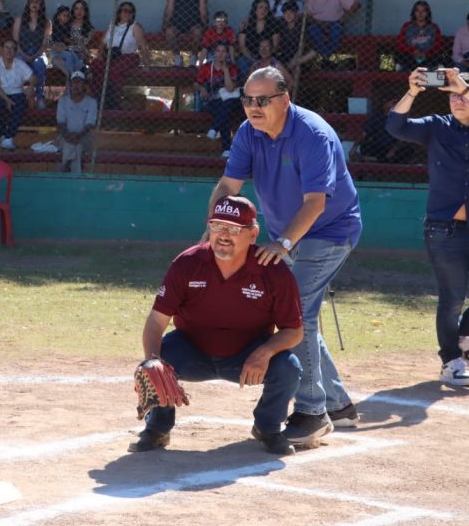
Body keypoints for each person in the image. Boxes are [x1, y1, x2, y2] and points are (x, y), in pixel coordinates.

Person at [210, 66, 362, 447]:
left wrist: (284, 244)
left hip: (329, 232)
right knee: (301, 312)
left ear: (285, 99)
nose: (253, 107)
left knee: (297, 314)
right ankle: (338, 404)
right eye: (248, 100)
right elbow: (228, 187)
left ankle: (312, 412)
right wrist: (213, 231)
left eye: (263, 100)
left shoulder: (311, 134)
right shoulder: (249, 133)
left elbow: (315, 203)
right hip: (287, 235)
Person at [129, 195, 303, 456]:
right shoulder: (187, 263)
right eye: (217, 226)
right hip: (192, 350)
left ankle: (268, 428)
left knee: (288, 367)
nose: (223, 235)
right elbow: (156, 321)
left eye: (234, 229)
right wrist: (152, 360)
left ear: (252, 233)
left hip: (246, 356)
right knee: (159, 359)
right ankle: (157, 428)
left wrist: (265, 352)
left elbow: (294, 330)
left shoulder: (274, 271)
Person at [385, 68, 469, 386]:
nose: (457, 99)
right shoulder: (436, 127)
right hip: (443, 232)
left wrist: (464, 86)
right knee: (451, 299)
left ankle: (463, 335)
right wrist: (413, 91)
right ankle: (450, 362)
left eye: (463, 94)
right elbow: (395, 125)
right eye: (452, 93)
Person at [90, 1, 150, 110]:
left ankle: (114, 101)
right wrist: (100, 56)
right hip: (111, 56)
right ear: (119, 13)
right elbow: (102, 43)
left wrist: (147, 65)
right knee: (96, 66)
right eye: (125, 10)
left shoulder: (135, 26)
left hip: (128, 56)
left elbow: (143, 46)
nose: (127, 13)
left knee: (114, 71)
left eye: (130, 12)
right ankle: (97, 99)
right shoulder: (112, 26)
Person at [305, 0, 361, 68]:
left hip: (335, 24)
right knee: (312, 30)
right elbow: (308, 16)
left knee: (337, 30)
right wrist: (319, 23)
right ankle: (327, 57)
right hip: (317, 24)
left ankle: (325, 57)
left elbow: (357, 4)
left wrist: (344, 17)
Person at [0, 39, 35, 151]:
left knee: (20, 105)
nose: (8, 50)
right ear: (2, 50)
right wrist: (7, 100)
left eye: (12, 48)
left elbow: (33, 78)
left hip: (16, 93)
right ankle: (6, 137)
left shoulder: (19, 63)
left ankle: (7, 137)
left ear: (15, 51)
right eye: (6, 47)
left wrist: (31, 87)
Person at [195, 42, 241, 157]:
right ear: (214, 53)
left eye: (224, 51)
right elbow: (195, 84)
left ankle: (214, 128)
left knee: (228, 104)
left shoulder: (233, 68)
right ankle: (226, 148)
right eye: (218, 51)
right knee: (225, 111)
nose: (221, 54)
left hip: (230, 100)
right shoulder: (206, 67)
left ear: (227, 54)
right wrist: (201, 88)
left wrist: (225, 70)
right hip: (213, 100)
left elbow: (230, 89)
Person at [162, 0, 208, 67]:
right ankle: (177, 58)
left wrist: (205, 25)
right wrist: (165, 24)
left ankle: (194, 57)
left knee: (198, 31)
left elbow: (202, 8)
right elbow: (169, 7)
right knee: (169, 32)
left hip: (194, 22)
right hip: (177, 22)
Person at [12, 0, 51, 109]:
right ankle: (17, 96)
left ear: (41, 5)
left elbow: (45, 44)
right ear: (28, 3)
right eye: (32, 1)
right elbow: (15, 41)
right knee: (17, 63)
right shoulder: (19, 20)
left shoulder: (46, 22)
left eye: (38, 2)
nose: (35, 4)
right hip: (21, 52)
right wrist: (24, 54)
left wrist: (34, 56)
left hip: (38, 52)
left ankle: (39, 96)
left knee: (40, 63)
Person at [349, 97, 414, 164]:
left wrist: (393, 150)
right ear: (385, 103)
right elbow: (364, 134)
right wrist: (354, 148)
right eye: (393, 103)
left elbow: (401, 139)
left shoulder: (399, 118)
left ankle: (369, 159)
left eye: (397, 103)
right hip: (377, 146)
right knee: (365, 146)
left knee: (408, 150)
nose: (395, 105)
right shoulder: (376, 117)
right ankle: (377, 160)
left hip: (391, 147)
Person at [56, 71, 98, 173]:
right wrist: (68, 135)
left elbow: (90, 124)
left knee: (74, 146)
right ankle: (75, 177)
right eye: (74, 83)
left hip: (84, 137)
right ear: (70, 85)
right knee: (75, 148)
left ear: (84, 85)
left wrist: (78, 136)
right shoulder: (63, 101)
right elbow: (61, 123)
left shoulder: (92, 102)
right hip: (65, 136)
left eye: (79, 83)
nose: (76, 86)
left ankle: (64, 169)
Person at [237, 0, 281, 78]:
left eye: (266, 8)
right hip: (250, 55)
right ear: (255, 9)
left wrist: (264, 58)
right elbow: (242, 45)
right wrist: (252, 59)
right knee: (242, 62)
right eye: (260, 7)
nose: (263, 10)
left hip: (267, 56)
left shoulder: (273, 25)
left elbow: (276, 46)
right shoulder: (247, 24)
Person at [395, 0, 444, 71]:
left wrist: (426, 53)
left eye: (423, 11)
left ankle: (429, 68)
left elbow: (438, 44)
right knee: (400, 55)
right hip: (411, 56)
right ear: (414, 13)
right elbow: (400, 43)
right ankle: (406, 68)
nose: (420, 13)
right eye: (417, 11)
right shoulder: (407, 26)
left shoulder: (434, 27)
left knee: (439, 56)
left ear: (427, 13)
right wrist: (413, 51)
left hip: (428, 57)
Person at [50, 5, 81, 78]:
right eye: (64, 15)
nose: (66, 18)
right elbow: (64, 39)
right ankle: (71, 73)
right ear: (58, 16)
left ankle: (78, 70)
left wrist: (73, 43)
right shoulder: (55, 27)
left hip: (66, 49)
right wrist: (72, 42)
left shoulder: (68, 27)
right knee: (69, 55)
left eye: (68, 16)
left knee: (75, 54)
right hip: (57, 49)